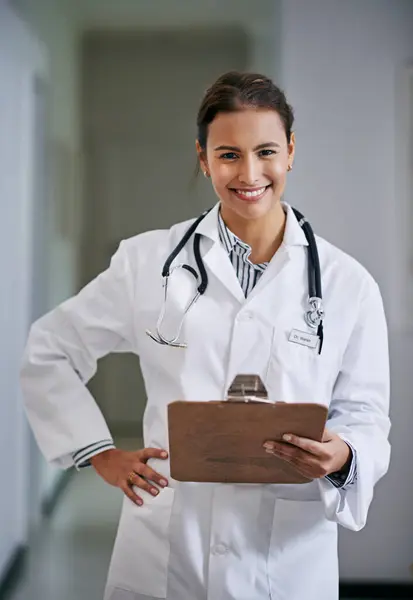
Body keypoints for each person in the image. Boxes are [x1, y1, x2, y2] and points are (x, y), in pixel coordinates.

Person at [20, 71, 390, 600]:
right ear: (203, 158)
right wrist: (98, 452)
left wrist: (346, 455)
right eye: (229, 155)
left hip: (285, 560)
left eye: (265, 151)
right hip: (165, 547)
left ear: (289, 151)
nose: (250, 173)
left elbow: (367, 415)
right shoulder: (147, 263)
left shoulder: (347, 285)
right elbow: (50, 349)